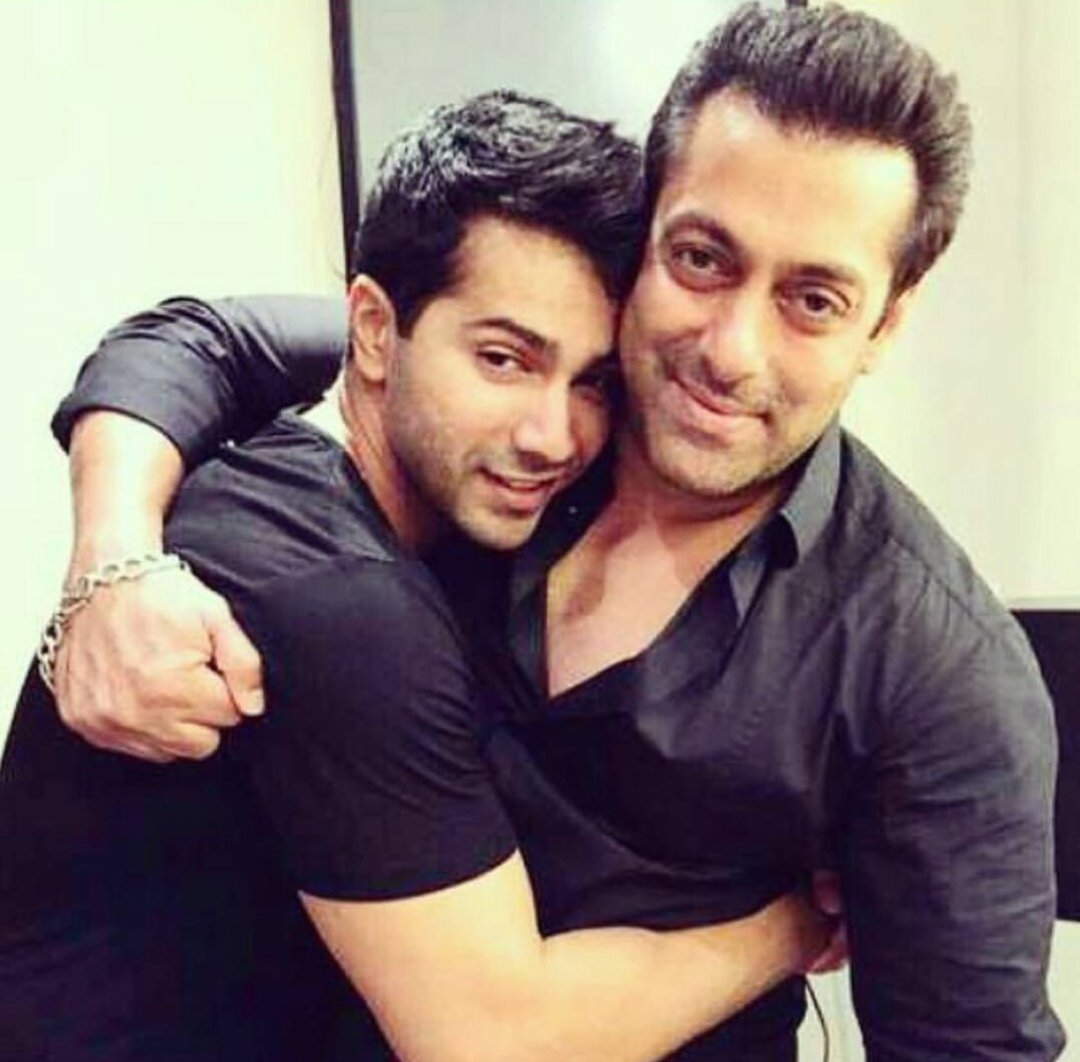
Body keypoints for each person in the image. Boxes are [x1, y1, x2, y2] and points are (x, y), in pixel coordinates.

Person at [38, 2, 1066, 1060]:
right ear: (648, 235)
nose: (730, 350)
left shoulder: (936, 677)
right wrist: (111, 557)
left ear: (885, 322)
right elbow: (201, 339)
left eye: (813, 299)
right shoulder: (516, 418)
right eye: (702, 258)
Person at [0, 91, 837, 1062]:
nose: (552, 435)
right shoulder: (339, 600)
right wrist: (796, 923)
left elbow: (200, 334)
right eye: (504, 360)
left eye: (592, 382)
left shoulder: (316, 452)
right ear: (371, 329)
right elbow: (495, 1044)